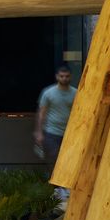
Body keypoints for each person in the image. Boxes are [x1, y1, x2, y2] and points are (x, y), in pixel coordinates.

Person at [34, 64, 77, 203]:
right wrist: (39, 132)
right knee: (53, 158)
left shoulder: (75, 93)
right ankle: (57, 187)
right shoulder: (49, 93)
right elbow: (42, 113)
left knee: (68, 160)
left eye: (66, 76)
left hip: (69, 133)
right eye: (61, 76)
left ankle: (66, 186)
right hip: (51, 132)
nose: (64, 78)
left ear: (70, 76)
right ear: (57, 77)